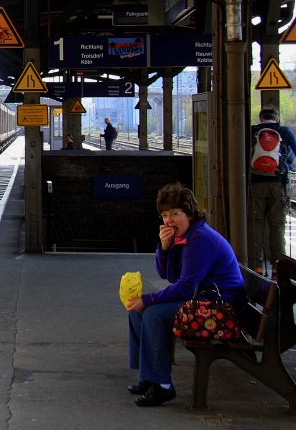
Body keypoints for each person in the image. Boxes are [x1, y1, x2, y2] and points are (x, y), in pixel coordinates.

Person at [125, 183, 244, 407]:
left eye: (175, 214)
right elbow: (168, 274)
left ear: (189, 213)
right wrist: (164, 246)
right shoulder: (187, 235)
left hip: (222, 305)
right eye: (164, 215)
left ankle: (163, 386)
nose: (169, 220)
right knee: (137, 312)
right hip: (204, 298)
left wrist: (148, 300)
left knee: (153, 314)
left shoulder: (200, 239)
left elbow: (184, 288)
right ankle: (148, 375)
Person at [249, 106, 296, 277]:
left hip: (256, 184)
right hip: (279, 184)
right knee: (277, 226)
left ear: (261, 118)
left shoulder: (253, 131)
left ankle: (257, 266)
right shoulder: (284, 132)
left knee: (256, 224)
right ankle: (278, 267)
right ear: (276, 119)